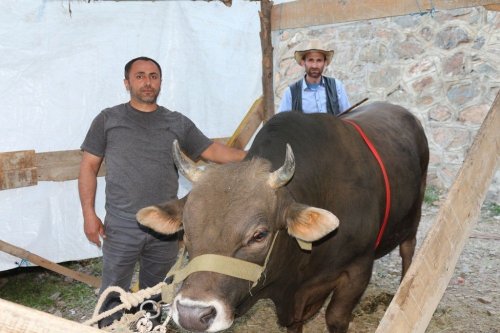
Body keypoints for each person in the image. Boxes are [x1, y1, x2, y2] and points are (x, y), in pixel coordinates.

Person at [78, 56, 246, 327]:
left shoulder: (176, 122)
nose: (148, 82)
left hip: (165, 226)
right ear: (127, 82)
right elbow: (88, 167)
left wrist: (254, 155)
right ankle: (108, 328)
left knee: (157, 292)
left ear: (160, 82)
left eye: (153, 76)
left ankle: (151, 328)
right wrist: (89, 213)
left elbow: (213, 151)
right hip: (122, 225)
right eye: (140, 76)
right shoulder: (108, 120)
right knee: (112, 293)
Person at [278, 39, 351, 115]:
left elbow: (348, 116)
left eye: (319, 60)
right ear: (303, 62)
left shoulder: (337, 86)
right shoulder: (290, 92)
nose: (314, 65)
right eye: (310, 60)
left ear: (325, 63)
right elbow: (281, 122)